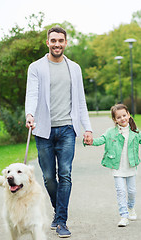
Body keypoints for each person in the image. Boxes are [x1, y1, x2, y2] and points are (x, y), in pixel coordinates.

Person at [25, 26, 93, 238]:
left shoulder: (74, 68)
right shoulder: (36, 67)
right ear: (47, 42)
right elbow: (32, 94)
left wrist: (87, 128)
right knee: (48, 177)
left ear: (66, 42)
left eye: (60, 40)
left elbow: (81, 101)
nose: (57, 44)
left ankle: (61, 220)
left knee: (65, 174)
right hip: (43, 130)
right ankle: (58, 210)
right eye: (53, 40)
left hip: (67, 130)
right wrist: (30, 114)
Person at [86, 104, 141, 227]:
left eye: (124, 115)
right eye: (118, 117)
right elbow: (101, 140)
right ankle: (123, 215)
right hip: (117, 167)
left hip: (130, 166)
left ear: (128, 115)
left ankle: (131, 208)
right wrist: (90, 141)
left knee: (132, 191)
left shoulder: (135, 132)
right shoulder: (111, 132)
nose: (122, 119)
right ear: (114, 120)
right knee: (121, 191)